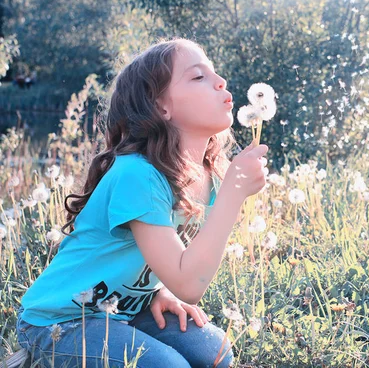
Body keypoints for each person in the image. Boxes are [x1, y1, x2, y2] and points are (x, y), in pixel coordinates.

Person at [15, 37, 269, 368]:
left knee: (215, 352)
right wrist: (234, 194)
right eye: (197, 76)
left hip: (121, 309)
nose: (220, 80)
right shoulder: (137, 173)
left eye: (214, 72)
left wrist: (156, 292)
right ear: (161, 107)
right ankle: (34, 357)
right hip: (59, 321)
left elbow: (170, 259)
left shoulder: (209, 176)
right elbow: (190, 284)